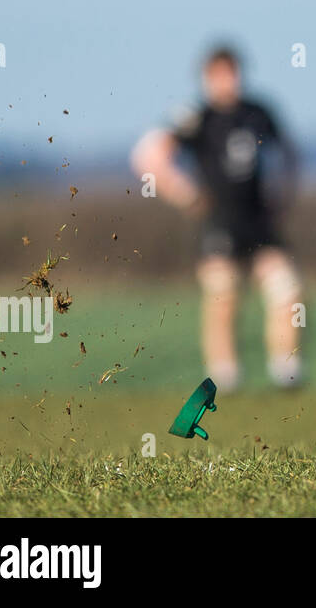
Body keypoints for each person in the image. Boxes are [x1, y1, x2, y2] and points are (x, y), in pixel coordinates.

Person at [130, 45, 302, 390]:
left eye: (234, 73)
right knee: (223, 295)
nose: (230, 81)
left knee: (288, 289)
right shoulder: (196, 116)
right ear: (207, 78)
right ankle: (224, 377)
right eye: (222, 75)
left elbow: (289, 154)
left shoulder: (259, 112)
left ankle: (288, 371)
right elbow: (148, 154)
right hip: (219, 222)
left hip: (259, 221)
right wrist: (182, 192)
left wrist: (283, 195)